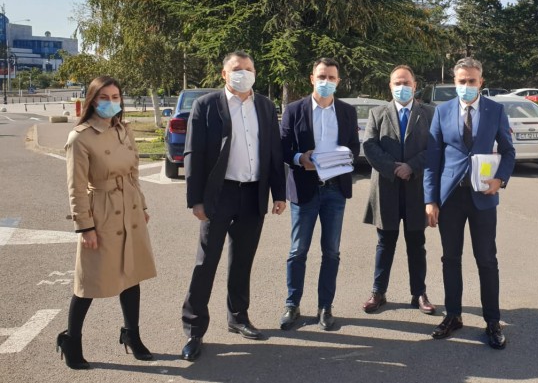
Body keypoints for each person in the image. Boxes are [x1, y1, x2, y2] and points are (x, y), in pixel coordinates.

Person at [180, 51, 287, 361]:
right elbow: (193, 153)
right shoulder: (207, 105)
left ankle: (238, 317)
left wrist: (279, 193)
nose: (244, 73)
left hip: (253, 194)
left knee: (242, 261)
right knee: (206, 263)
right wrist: (195, 200)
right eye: (237, 69)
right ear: (224, 74)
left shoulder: (264, 105)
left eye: (249, 68)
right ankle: (194, 330)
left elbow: (273, 151)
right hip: (219, 195)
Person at [59, 76, 157, 370]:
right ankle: (71, 340)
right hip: (101, 212)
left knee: (132, 275)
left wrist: (142, 205)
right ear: (92, 100)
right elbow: (76, 188)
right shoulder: (80, 137)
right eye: (104, 97)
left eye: (116, 97)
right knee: (89, 282)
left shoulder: (123, 130)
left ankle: (132, 335)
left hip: (130, 207)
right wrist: (85, 227)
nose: (111, 102)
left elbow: (134, 172)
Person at [424, 57, 516, 349]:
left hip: (483, 196)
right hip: (450, 198)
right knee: (450, 259)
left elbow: (509, 151)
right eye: (462, 81)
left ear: (481, 82)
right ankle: (453, 316)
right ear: (455, 82)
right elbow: (432, 159)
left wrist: (500, 179)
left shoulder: (495, 111)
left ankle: (492, 321)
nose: (466, 85)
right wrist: (430, 200)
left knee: (486, 260)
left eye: (472, 81)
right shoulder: (442, 111)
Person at [279, 57, 360, 331]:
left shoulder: (347, 111)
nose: (326, 82)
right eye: (322, 77)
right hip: (305, 190)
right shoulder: (294, 110)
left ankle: (325, 307)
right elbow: (283, 147)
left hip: (335, 190)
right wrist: (300, 158)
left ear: (338, 81)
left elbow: (354, 147)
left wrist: (341, 157)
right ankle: (292, 305)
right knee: (297, 251)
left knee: (331, 252)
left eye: (332, 78)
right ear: (312, 79)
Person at [361, 65, 436, 315]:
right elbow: (369, 145)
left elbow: (436, 147)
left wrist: (411, 166)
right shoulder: (377, 113)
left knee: (417, 244)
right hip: (387, 188)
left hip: (417, 188)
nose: (401, 87)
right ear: (390, 86)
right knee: (385, 243)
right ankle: (378, 292)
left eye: (406, 83)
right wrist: (394, 168)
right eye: (397, 83)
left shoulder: (429, 113)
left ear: (415, 86)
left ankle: (419, 293)